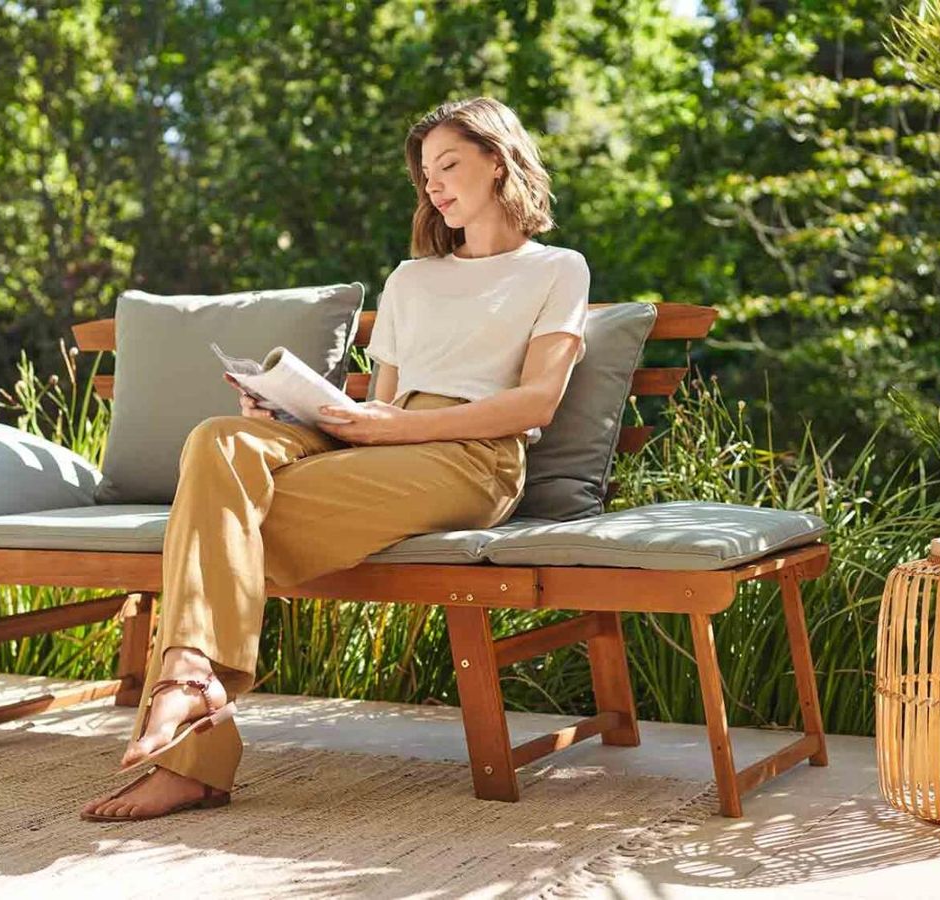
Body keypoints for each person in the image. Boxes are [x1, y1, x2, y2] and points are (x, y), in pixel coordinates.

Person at [81, 96, 589, 822]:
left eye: (448, 165)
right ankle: (192, 680)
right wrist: (292, 412)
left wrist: (385, 429)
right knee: (219, 441)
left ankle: (191, 734)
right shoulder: (413, 278)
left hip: (471, 459)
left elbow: (537, 402)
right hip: (384, 440)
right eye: (425, 174)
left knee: (213, 526)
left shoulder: (557, 269)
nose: (435, 185)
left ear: (498, 161)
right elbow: (372, 412)